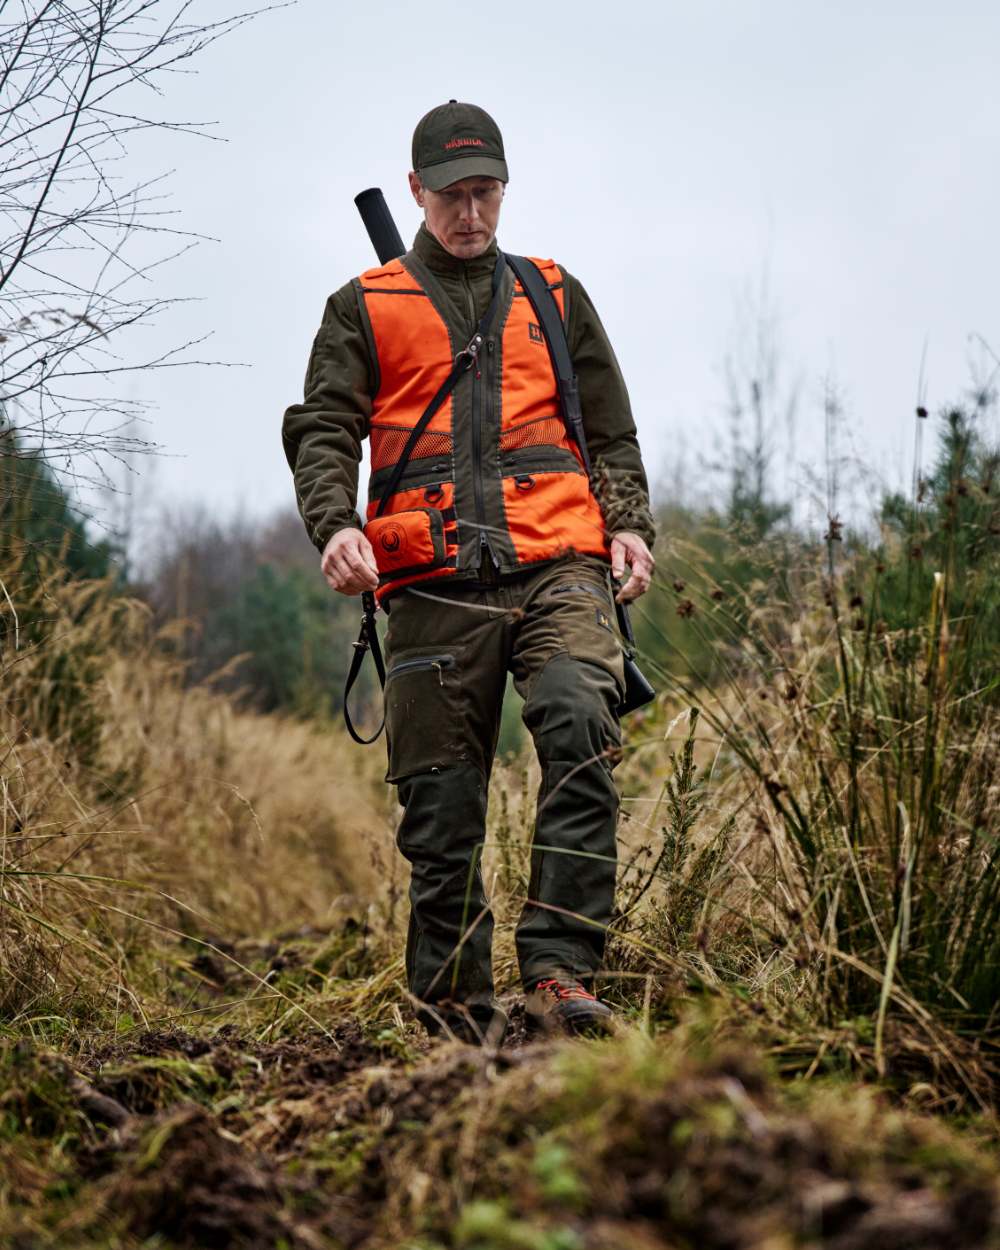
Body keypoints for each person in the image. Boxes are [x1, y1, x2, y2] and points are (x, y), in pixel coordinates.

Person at [282, 100, 656, 1044]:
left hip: (558, 564)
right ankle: (453, 1000)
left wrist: (631, 528)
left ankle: (563, 969)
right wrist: (334, 526)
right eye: (452, 195)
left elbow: (610, 432)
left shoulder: (554, 294)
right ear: (417, 190)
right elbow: (322, 430)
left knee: (579, 715)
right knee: (442, 801)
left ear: (504, 186)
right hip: (432, 584)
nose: (471, 213)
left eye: (485, 191)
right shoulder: (361, 306)